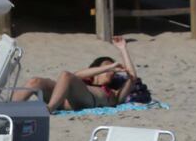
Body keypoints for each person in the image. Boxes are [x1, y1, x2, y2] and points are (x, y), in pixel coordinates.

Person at [18, 36, 147, 112]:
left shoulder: (114, 93)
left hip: (86, 100)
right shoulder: (82, 81)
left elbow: (132, 77)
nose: (111, 73)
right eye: (106, 69)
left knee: (66, 75)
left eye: (112, 71)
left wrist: (123, 49)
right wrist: (111, 66)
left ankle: (49, 109)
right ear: (96, 71)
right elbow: (78, 75)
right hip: (63, 98)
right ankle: (8, 108)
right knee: (35, 81)